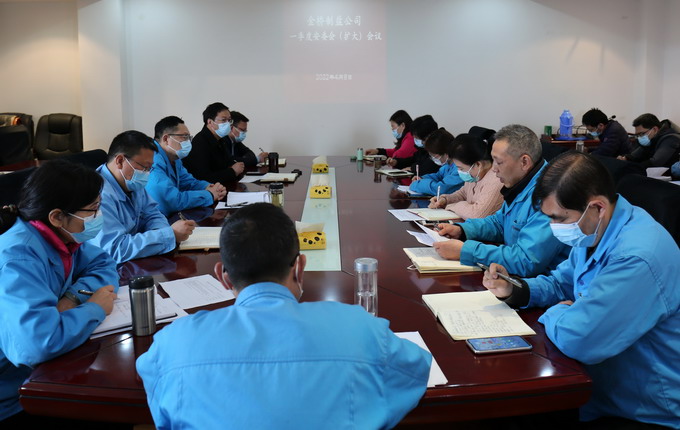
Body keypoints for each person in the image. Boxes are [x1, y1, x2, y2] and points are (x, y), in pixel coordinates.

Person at [136, 203, 431, 430]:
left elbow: (160, 401)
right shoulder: (359, 328)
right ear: (300, 267)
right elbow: (416, 370)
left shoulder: (176, 342)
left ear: (223, 276)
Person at [482, 151, 680, 429]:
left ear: (597, 207)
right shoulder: (597, 230)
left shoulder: (636, 256)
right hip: (598, 381)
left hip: (643, 407)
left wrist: (557, 313)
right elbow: (562, 282)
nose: (554, 228)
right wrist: (516, 289)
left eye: (559, 219)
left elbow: (580, 339)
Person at [0, 160, 117, 424]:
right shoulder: (18, 258)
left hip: (44, 375)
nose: (99, 216)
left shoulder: (60, 237)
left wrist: (72, 299)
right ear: (56, 216)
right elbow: (37, 344)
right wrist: (95, 307)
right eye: (93, 210)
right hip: (16, 395)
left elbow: (104, 263)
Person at [434, 124, 569, 277]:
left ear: (524, 162)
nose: (494, 169)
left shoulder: (550, 195)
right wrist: (462, 230)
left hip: (542, 283)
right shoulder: (520, 183)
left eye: (498, 162)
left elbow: (526, 260)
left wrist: (466, 251)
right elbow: (499, 223)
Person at [92, 130, 196, 264]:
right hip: (108, 268)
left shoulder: (131, 182)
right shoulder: (97, 196)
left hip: (134, 261)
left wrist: (160, 235)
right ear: (120, 161)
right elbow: (115, 249)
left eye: (149, 169)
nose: (147, 174)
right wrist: (169, 235)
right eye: (144, 167)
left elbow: (153, 214)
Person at [146, 116, 226, 216]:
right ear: (166, 139)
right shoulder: (152, 160)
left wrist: (209, 187)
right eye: (184, 137)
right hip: (156, 220)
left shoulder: (174, 157)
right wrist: (209, 195)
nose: (188, 142)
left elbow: (188, 182)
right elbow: (171, 201)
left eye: (189, 137)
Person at [428, 133, 503, 219]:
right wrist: (445, 200)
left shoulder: (496, 179)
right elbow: (463, 193)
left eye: (461, 168)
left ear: (478, 164)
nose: (460, 172)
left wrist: (453, 206)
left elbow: (477, 215)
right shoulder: (475, 175)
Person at [182, 102, 245, 183]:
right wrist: (232, 171)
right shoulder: (200, 142)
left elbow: (228, 163)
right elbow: (203, 178)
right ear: (210, 122)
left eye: (229, 120)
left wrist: (236, 167)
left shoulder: (221, 139)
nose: (228, 124)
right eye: (223, 120)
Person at [409, 128, 464, 195]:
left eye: (435, 156)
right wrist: (422, 178)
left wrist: (417, 184)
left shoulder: (460, 169)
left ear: (446, 153)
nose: (433, 159)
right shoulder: (448, 165)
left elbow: (440, 189)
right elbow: (438, 176)